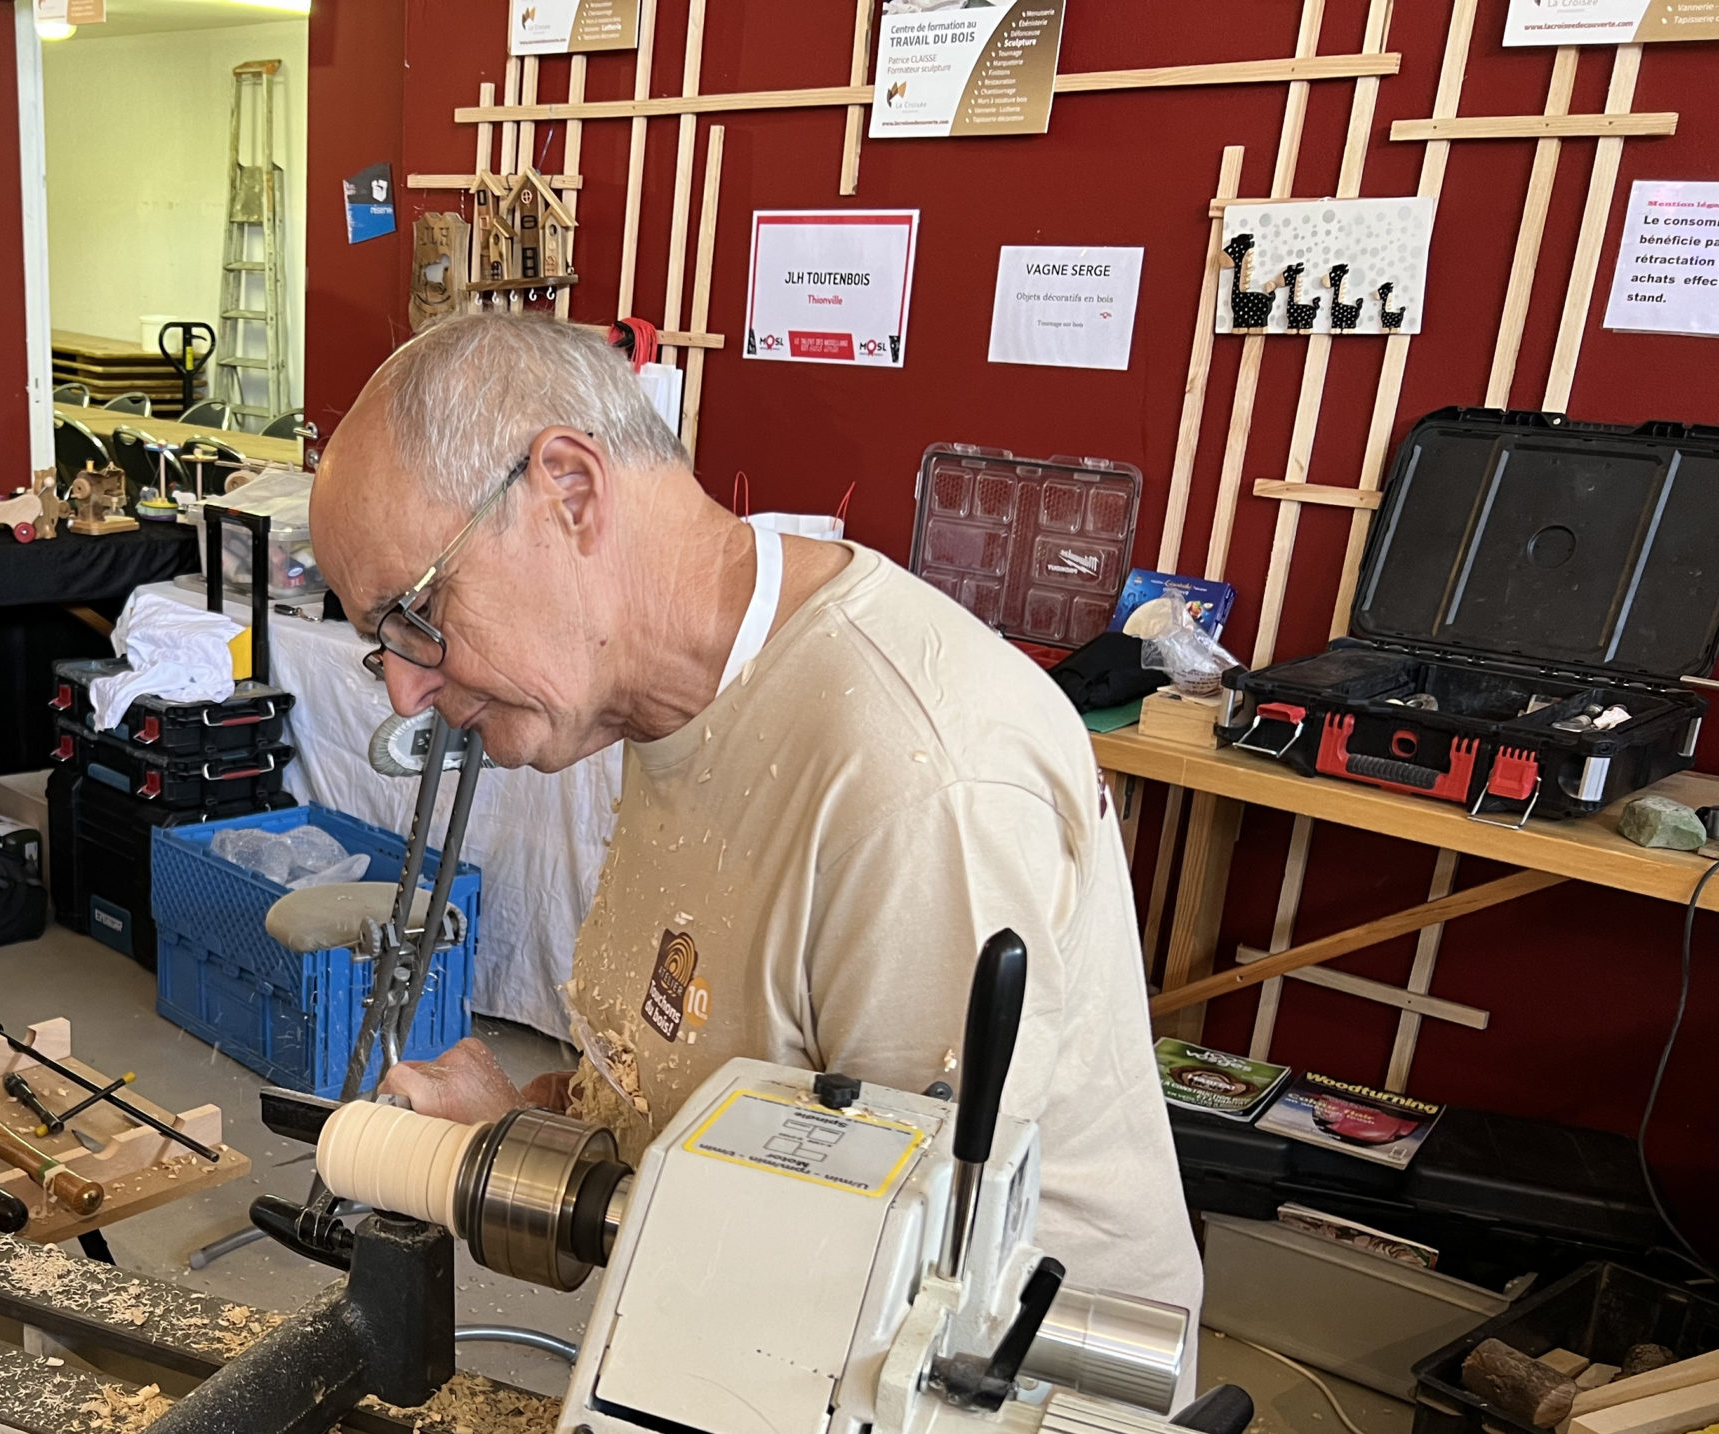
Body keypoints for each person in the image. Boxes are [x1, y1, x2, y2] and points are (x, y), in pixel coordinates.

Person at [309, 313, 1203, 1325]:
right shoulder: (670, 698)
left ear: (569, 492)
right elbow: (720, 1072)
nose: (400, 692)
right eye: (376, 644)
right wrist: (544, 1118)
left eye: (413, 616)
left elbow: (901, 1289)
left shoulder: (919, 783)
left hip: (1008, 1424)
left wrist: (502, 1161)